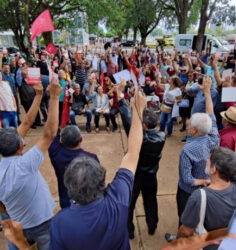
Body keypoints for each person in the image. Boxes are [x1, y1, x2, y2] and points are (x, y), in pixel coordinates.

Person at [49, 91, 146, 250]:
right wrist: (137, 110)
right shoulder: (117, 200)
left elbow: (49, 134)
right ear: (102, 181)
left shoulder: (60, 223)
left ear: (69, 186)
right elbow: (132, 153)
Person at [177, 98, 236, 250]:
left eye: (209, 160)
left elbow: (186, 231)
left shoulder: (199, 197)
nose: (206, 160)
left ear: (214, 170)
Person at [0, 78, 61, 250]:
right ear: (20, 145)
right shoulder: (25, 164)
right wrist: (54, 97)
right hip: (43, 224)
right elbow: (49, 134)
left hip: (17, 225)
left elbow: (26, 123)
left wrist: (39, 96)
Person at [165, 77, 220, 242]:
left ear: (194, 130)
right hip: (207, 191)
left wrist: (203, 181)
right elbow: (210, 113)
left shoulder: (187, 151)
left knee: (185, 217)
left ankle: (180, 240)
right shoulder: (213, 137)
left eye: (190, 125)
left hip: (188, 192)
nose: (188, 126)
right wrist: (207, 93)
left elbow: (187, 179)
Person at [116, 81, 166, 238]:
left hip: (135, 176)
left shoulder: (140, 139)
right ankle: (152, 226)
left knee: (129, 204)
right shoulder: (161, 137)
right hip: (151, 176)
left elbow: (126, 116)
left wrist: (120, 95)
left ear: (143, 125)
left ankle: (129, 231)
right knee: (151, 201)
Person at [49, 125, 99, 208]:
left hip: (65, 197)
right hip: (85, 199)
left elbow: (52, 132)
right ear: (81, 140)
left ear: (61, 140)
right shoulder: (91, 158)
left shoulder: (55, 153)